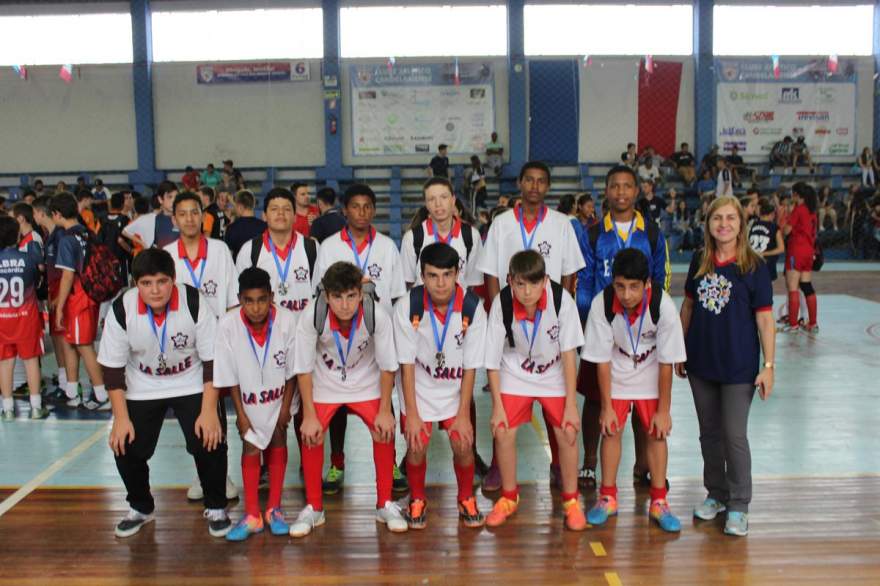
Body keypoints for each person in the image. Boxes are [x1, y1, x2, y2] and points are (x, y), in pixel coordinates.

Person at [100, 249, 230, 538]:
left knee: (210, 438)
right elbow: (111, 370)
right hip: (142, 384)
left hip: (191, 380)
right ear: (136, 284)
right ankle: (141, 507)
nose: (155, 290)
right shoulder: (122, 309)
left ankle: (217, 506)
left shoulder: (194, 302)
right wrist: (120, 418)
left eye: (161, 281)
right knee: (124, 444)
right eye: (146, 283)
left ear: (173, 280)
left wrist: (209, 411)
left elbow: (212, 361)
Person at [476, 161, 585, 490]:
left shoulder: (562, 224)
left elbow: (570, 272)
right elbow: (491, 273)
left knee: (556, 400)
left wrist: (558, 312)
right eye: (529, 180)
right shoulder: (501, 224)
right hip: (514, 319)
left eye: (541, 181)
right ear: (520, 184)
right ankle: (498, 466)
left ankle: (558, 465)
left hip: (548, 319)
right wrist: (502, 312)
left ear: (548, 187)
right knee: (506, 410)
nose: (535, 186)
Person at [677, 195, 776, 537]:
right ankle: (716, 495)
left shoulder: (754, 266)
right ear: (708, 224)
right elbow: (687, 307)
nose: (723, 224)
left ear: (741, 224)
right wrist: (680, 349)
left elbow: (765, 321)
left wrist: (769, 365)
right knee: (710, 435)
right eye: (717, 217)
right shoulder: (699, 260)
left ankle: (739, 504)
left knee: (734, 435)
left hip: (739, 367)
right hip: (702, 363)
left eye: (730, 218)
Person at [291, 261, 406, 536]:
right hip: (325, 383)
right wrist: (308, 415)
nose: (345, 305)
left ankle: (384, 503)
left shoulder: (375, 313)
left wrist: (385, 410)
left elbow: (389, 365)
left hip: (366, 382)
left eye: (351, 296)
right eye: (337, 297)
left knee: (384, 429)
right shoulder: (312, 315)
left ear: (361, 293)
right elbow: (303, 368)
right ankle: (314, 508)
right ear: (326, 296)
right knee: (310, 433)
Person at [575, 164, 670, 490]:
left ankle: (644, 465)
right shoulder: (592, 233)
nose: (621, 192)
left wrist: (654, 323)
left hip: (641, 332)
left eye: (627, 186)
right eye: (614, 186)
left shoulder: (652, 232)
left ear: (637, 190)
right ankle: (589, 462)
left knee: (643, 398)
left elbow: (660, 279)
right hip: (602, 328)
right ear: (607, 190)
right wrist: (588, 321)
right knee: (594, 398)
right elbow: (584, 279)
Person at [581, 248, 686, 532]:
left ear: (647, 284)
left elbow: (667, 362)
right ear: (612, 282)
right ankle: (608, 497)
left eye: (634, 287)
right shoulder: (601, 304)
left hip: (651, 371)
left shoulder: (662, 307)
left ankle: (659, 501)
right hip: (617, 369)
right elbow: (601, 361)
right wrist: (605, 407)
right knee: (611, 430)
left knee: (656, 432)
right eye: (620, 286)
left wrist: (663, 410)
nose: (626, 294)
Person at [312, 183, 406, 494]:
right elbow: (320, 293)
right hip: (338, 341)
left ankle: (389, 462)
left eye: (368, 206)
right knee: (336, 405)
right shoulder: (329, 247)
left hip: (375, 339)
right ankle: (337, 463)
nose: (362, 212)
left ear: (374, 210)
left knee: (383, 403)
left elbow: (395, 296)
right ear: (346, 210)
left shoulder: (387, 247)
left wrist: (387, 337)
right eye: (356, 206)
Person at [483, 250, 586, 530]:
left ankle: (571, 500)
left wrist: (571, 406)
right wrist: (497, 407)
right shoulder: (501, 303)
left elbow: (568, 355)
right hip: (516, 371)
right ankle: (508, 497)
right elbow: (491, 362)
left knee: (567, 429)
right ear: (510, 281)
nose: (527, 292)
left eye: (533, 283)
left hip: (553, 371)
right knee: (503, 429)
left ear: (545, 281)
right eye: (520, 284)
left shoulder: (562, 301)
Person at [393, 243, 487, 529]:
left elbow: (471, 366)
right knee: (416, 445)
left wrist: (462, 414)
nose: (441, 283)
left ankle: (465, 497)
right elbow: (405, 365)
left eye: (447, 274)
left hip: (455, 390)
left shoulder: (472, 307)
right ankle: (417, 499)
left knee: (463, 444)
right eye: (433, 275)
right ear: (422, 275)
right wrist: (411, 412)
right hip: (418, 389)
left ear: (458, 273)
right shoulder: (408, 306)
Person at [215, 267, 298, 541]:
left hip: (278, 398)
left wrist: (285, 408)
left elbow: (293, 371)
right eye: (249, 301)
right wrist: (240, 414)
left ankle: (273, 508)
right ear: (240, 299)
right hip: (248, 401)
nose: (256, 307)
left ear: (272, 297)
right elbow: (229, 375)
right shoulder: (227, 325)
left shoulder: (287, 321)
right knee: (250, 446)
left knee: (277, 440)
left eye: (262, 299)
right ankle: (253, 514)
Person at [50, 193, 107, 409]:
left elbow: (67, 275)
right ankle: (72, 392)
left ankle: (101, 395)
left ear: (56, 214)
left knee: (84, 346)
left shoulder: (66, 239)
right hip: (90, 295)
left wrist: (60, 306)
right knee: (72, 343)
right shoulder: (87, 233)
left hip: (78, 297)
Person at [235, 188, 319, 317]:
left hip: (303, 333)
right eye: (274, 209)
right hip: (266, 334)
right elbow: (242, 298)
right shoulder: (249, 250)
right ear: (264, 216)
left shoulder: (311, 248)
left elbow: (320, 295)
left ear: (295, 216)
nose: (281, 213)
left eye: (286, 209)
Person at [0, 216, 48, 420]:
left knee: (5, 363)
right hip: (26, 317)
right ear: (17, 235)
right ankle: (36, 407)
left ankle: (8, 408)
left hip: (2, 318)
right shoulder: (29, 258)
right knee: (30, 361)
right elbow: (37, 281)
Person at [401, 178, 483, 289]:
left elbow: (472, 283)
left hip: (459, 305)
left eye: (444, 197)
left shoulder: (471, 235)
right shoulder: (412, 238)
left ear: (453, 200)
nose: (438, 204)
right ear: (426, 204)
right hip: (423, 305)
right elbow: (408, 282)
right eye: (431, 199)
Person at [781, 182, 819, 333]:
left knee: (793, 288)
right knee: (807, 286)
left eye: (792, 193)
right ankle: (813, 323)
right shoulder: (812, 211)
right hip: (809, 251)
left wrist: (783, 223)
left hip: (796, 250)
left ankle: (793, 324)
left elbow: (787, 230)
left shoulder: (799, 209)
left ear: (797, 194)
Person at [122, 181, 179, 250]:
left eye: (176, 197)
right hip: (159, 258)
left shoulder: (183, 218)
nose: (173, 201)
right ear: (160, 199)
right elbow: (125, 231)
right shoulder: (150, 219)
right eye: (169, 197)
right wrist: (143, 243)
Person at [748, 198, 784, 282]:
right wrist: (764, 253)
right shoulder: (774, 227)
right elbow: (781, 248)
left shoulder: (751, 225)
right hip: (767, 264)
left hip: (751, 263)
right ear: (771, 214)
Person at [224, 190, 267, 258]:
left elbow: (229, 256)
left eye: (235, 206)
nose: (234, 209)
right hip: (260, 267)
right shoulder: (264, 227)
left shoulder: (231, 228)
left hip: (238, 267)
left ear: (240, 207)